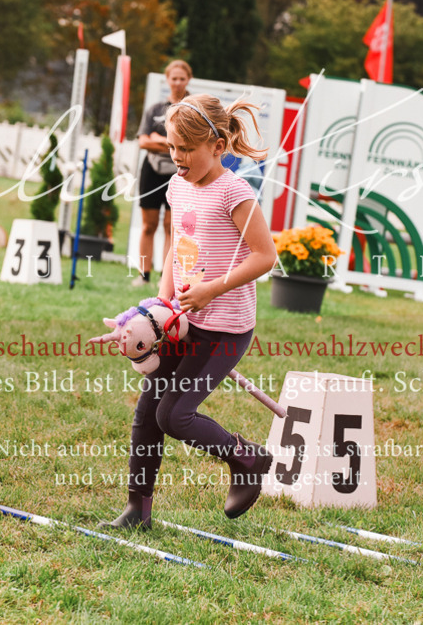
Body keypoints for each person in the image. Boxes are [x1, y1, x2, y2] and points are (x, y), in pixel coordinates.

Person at [100, 94, 277, 529]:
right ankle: (137, 511)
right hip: (185, 322)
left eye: (186, 149)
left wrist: (210, 290)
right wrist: (159, 309)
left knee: (174, 415)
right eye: (172, 147)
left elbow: (265, 256)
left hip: (225, 329)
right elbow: (177, 254)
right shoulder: (177, 186)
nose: (177, 157)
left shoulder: (235, 192)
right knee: (148, 413)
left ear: (217, 146)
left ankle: (248, 458)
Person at [132, 60, 193, 287]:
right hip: (151, 172)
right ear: (167, 80)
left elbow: (190, 143)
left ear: (188, 80)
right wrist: (170, 143)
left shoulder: (191, 109)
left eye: (182, 78)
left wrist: (161, 140)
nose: (177, 83)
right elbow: (143, 142)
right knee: (148, 225)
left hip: (179, 174)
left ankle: (164, 278)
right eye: (173, 78)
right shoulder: (155, 110)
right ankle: (143, 275)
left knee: (171, 226)